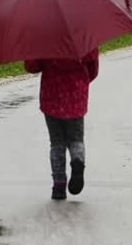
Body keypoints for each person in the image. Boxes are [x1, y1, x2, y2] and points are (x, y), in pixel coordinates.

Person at [24, 50, 99, 200]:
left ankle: (59, 186)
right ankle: (77, 162)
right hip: (76, 96)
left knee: (56, 142)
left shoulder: (45, 42)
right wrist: (81, 82)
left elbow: (32, 66)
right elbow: (93, 70)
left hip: (52, 95)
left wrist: (29, 54)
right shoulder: (84, 41)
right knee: (76, 139)